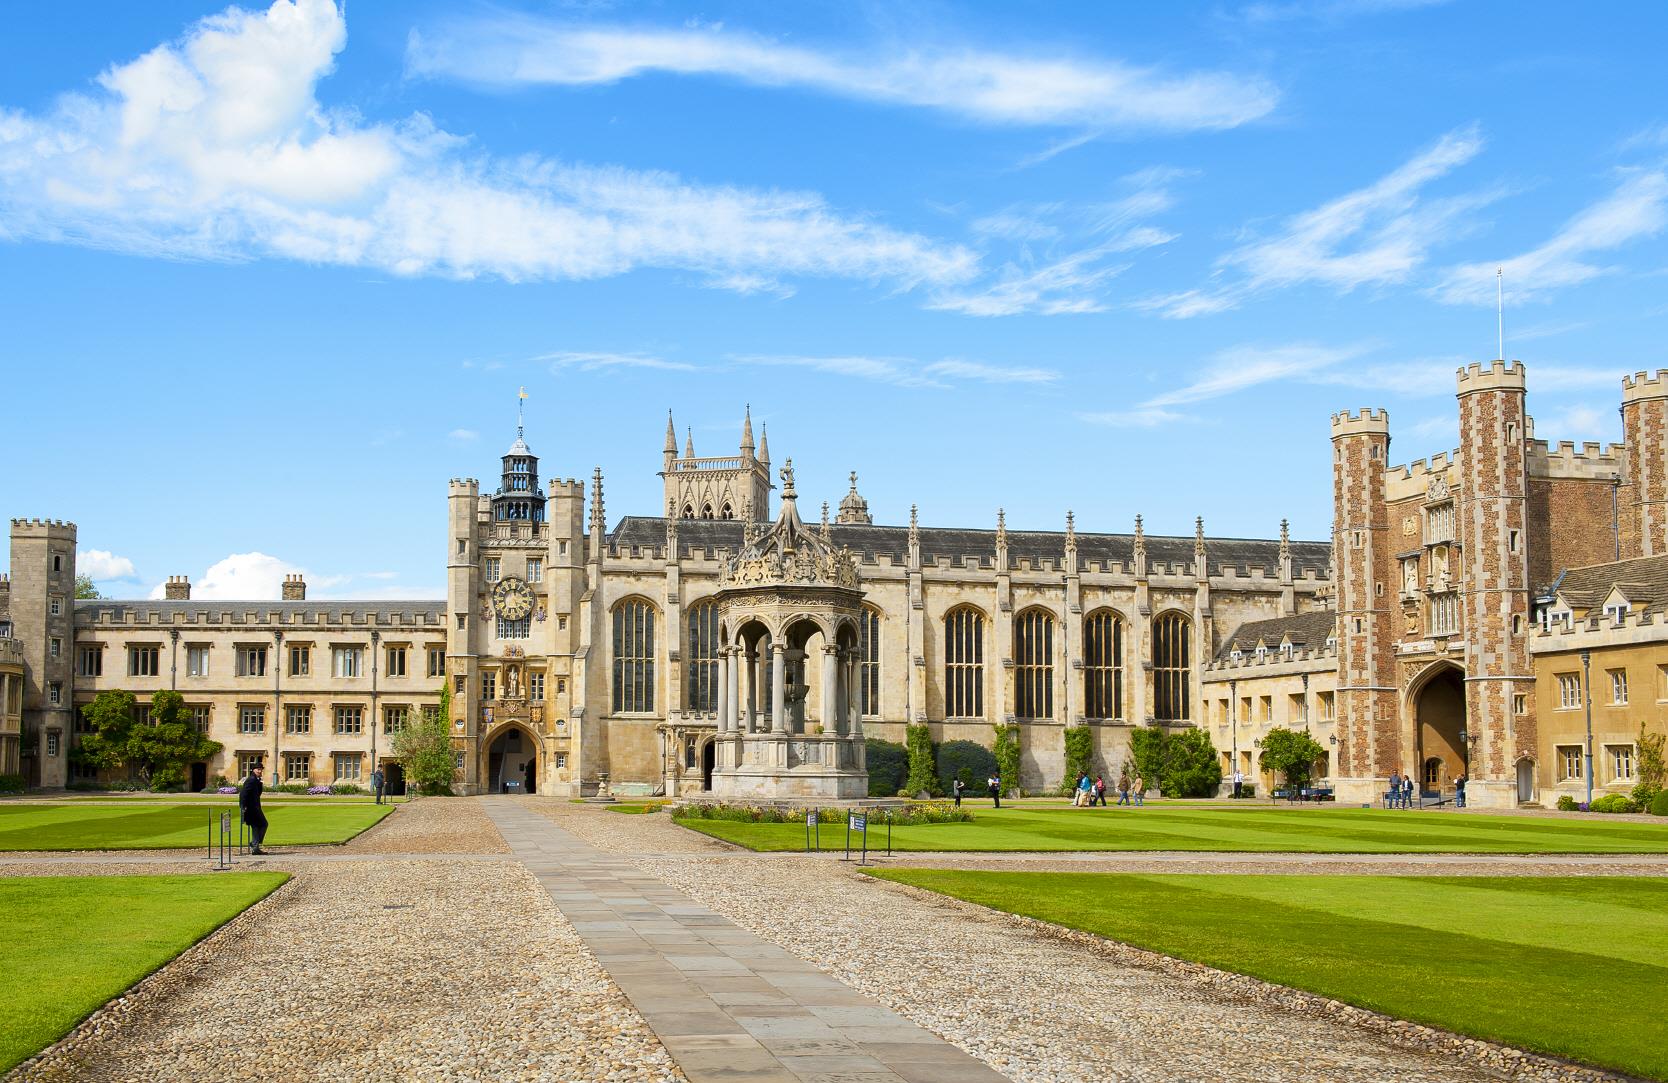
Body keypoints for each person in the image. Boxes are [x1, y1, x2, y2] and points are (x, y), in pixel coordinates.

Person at [239, 763, 268, 855]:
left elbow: (258, 793)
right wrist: (243, 806)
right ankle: (254, 844)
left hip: (255, 807)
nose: (260, 771)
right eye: (258, 769)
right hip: (251, 808)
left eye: (260, 769)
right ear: (253, 770)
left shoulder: (255, 780)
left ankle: (255, 848)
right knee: (264, 824)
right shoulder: (251, 780)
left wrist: (260, 783)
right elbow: (243, 794)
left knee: (256, 826)